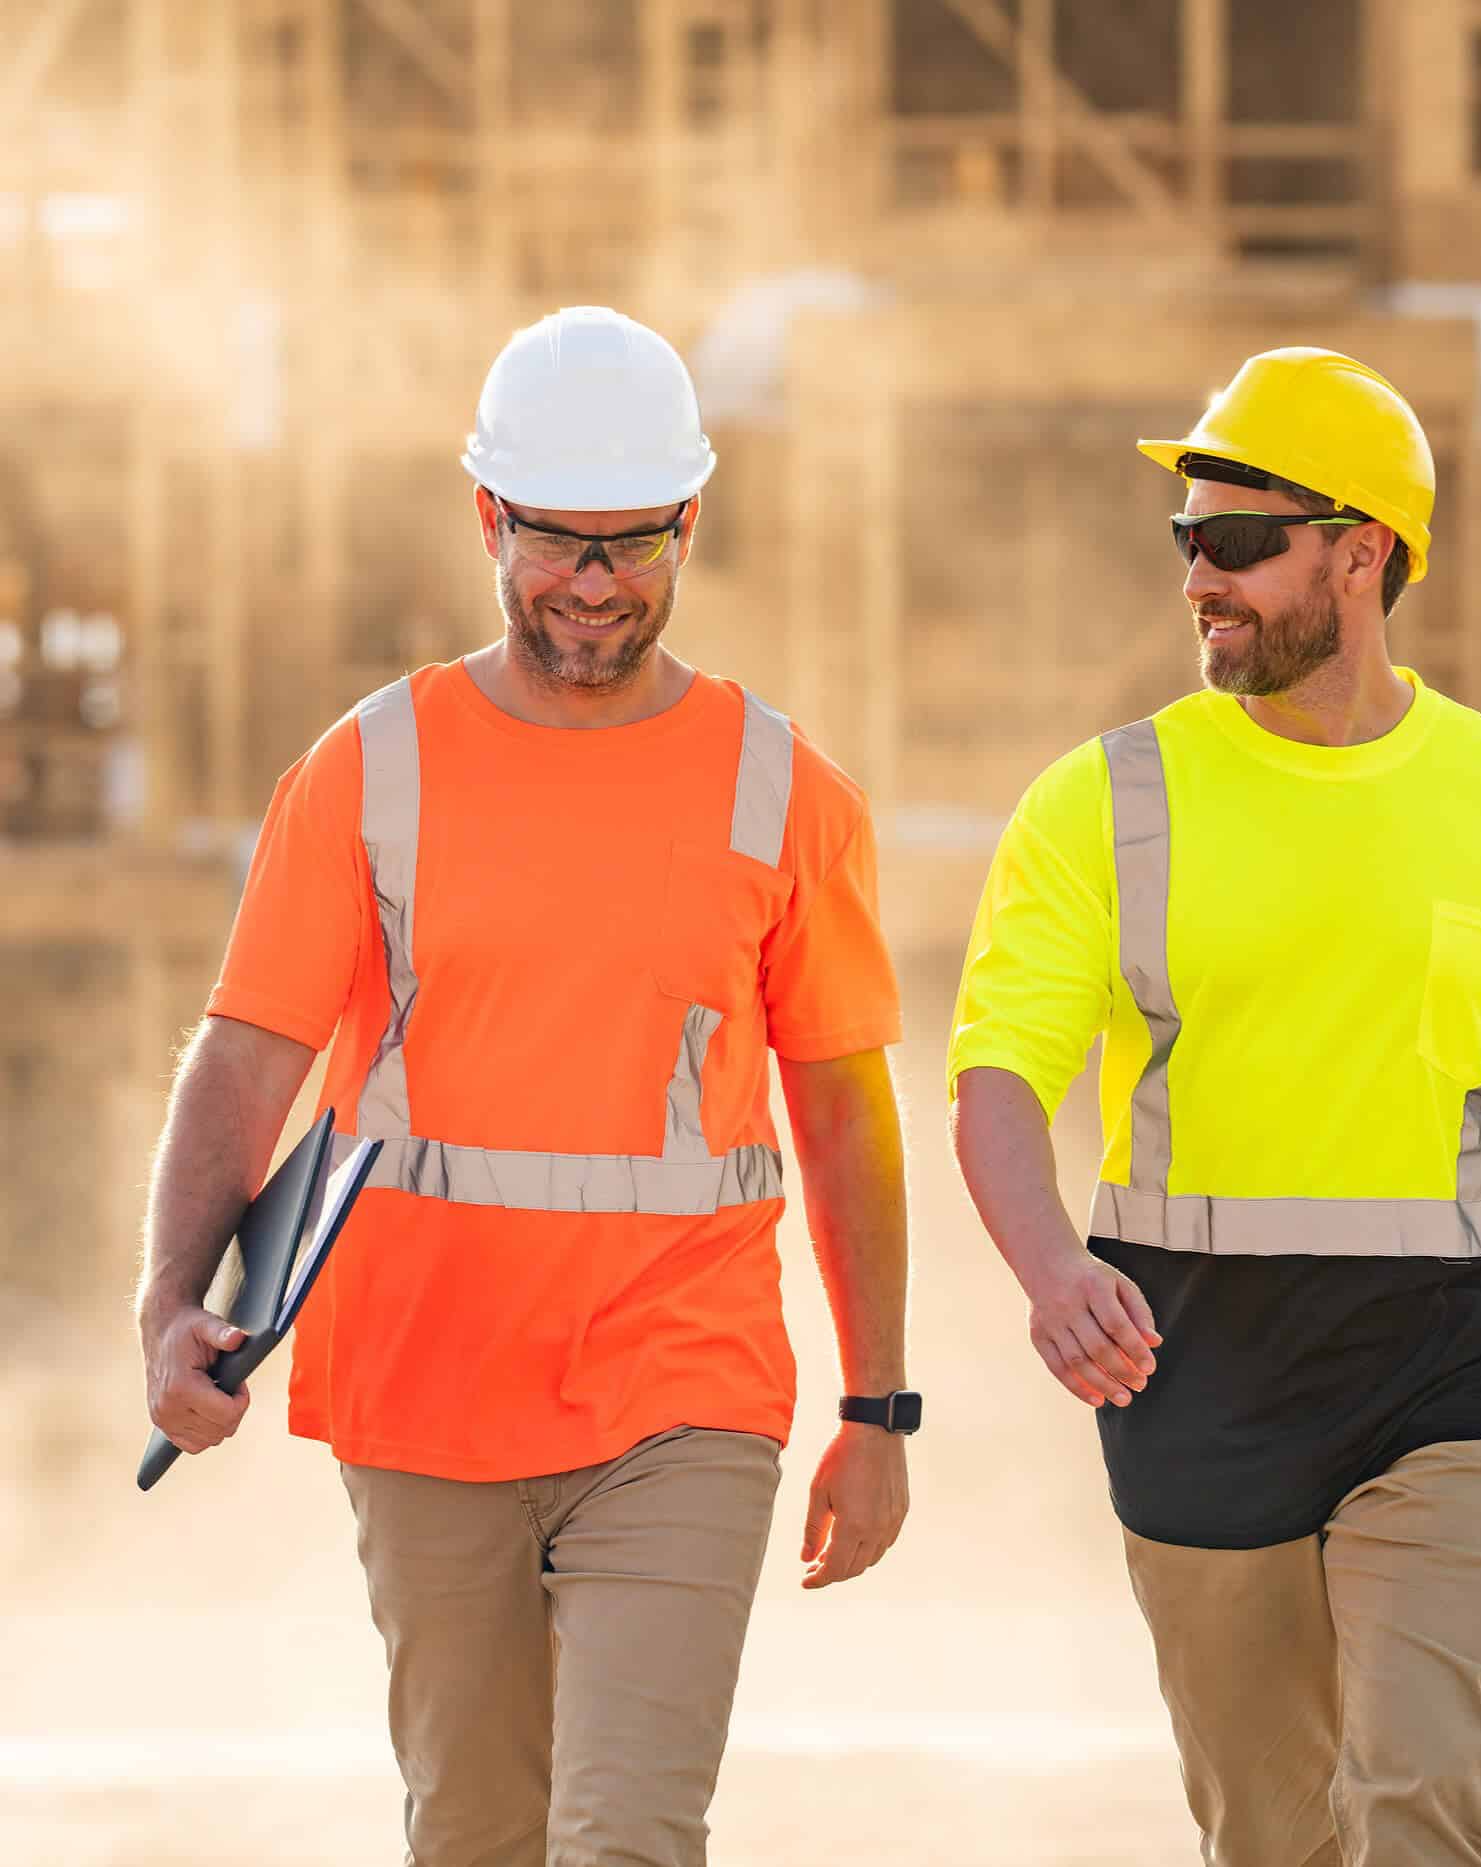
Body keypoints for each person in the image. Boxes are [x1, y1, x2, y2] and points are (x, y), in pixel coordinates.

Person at [136, 305, 921, 1867]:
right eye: (560, 543)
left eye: (635, 545)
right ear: (488, 519)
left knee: (629, 1834)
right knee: (477, 1837)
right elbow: (248, 1054)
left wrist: (878, 1406)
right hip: (422, 1397)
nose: (595, 585)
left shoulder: (786, 791)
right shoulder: (370, 770)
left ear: (691, 525)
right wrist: (169, 1301)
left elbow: (844, 1112)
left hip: (683, 1395)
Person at [947, 346, 1481, 1866]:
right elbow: (996, 1085)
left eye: (1238, 542)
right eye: (1187, 543)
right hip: (1194, 1360)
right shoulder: (1105, 802)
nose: (1199, 581)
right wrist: (1050, 1270)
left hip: (1457, 1359)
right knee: (1274, 1839)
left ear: (1362, 555)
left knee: (1435, 1800)